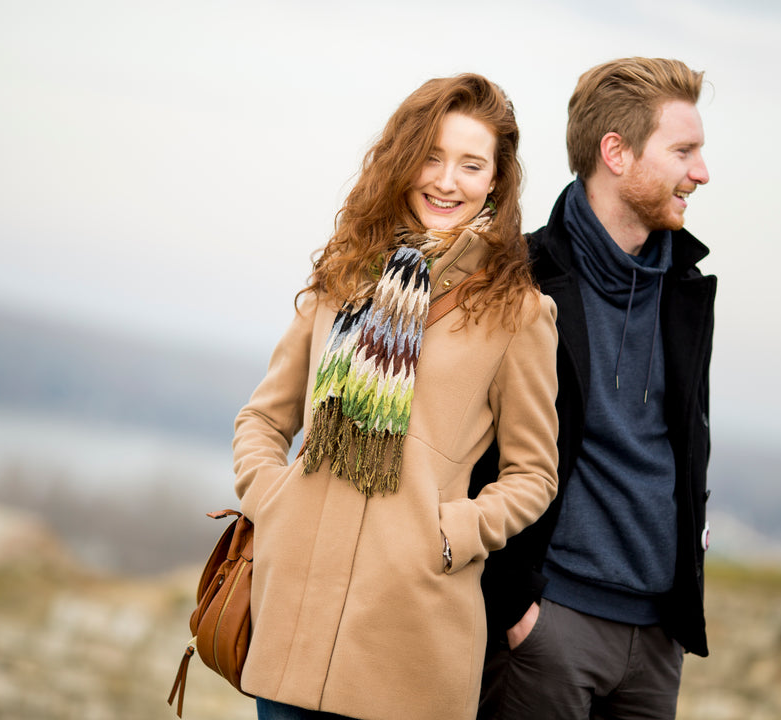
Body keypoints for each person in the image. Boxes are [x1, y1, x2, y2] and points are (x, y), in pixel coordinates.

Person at [232, 73, 560, 720]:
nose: (446, 181)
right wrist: (272, 502)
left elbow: (532, 474)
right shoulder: (345, 274)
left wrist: (448, 534)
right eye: (432, 157)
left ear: (496, 180)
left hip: (411, 639)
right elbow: (263, 418)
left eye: (470, 164)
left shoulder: (517, 312)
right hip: (293, 621)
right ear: (405, 161)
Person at [474, 57, 717, 720]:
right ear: (616, 151)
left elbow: (685, 448)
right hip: (549, 628)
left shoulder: (687, 290)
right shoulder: (517, 272)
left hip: (657, 640)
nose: (701, 172)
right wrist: (517, 609)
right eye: (684, 151)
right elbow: (468, 448)